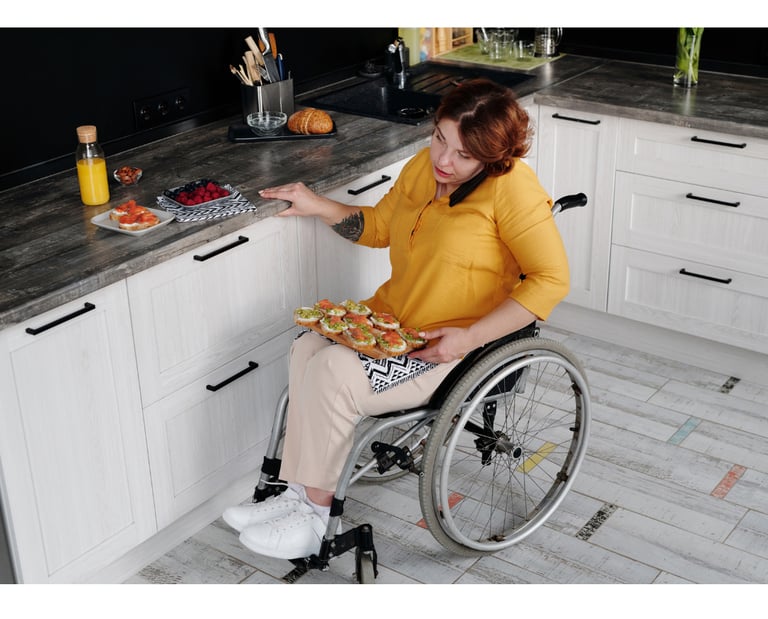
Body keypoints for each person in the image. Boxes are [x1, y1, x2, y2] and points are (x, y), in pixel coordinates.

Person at [222, 78, 570, 560]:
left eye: (463, 155)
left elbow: (551, 279)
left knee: (333, 373)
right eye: (440, 138)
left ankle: (314, 516)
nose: (443, 160)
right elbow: (381, 227)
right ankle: (296, 494)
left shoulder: (513, 191)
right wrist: (316, 203)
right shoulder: (422, 171)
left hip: (455, 346)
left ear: (492, 158)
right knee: (306, 346)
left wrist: (467, 337)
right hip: (395, 326)